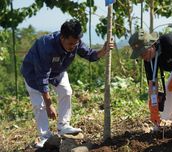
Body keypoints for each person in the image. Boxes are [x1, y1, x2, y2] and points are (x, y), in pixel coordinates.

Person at [21, 19, 113, 148]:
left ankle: (63, 126)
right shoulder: (46, 46)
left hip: (57, 71)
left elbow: (90, 54)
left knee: (66, 91)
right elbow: (42, 77)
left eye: (75, 43)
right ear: (62, 37)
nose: (73, 47)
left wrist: (104, 50)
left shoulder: (75, 42)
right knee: (39, 105)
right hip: (34, 74)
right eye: (70, 43)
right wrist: (49, 105)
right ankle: (45, 137)